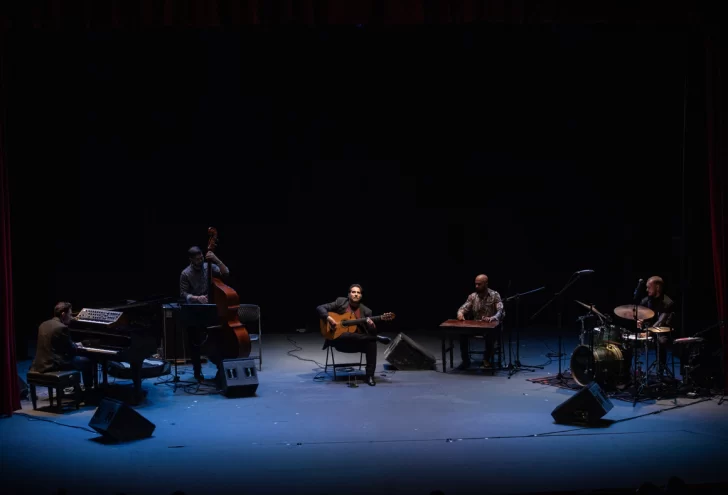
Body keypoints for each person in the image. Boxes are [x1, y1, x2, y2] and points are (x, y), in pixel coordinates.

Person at [316, 284, 391, 386]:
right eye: (353, 292)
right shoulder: (340, 302)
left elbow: (370, 331)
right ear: (349, 294)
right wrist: (329, 318)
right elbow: (320, 308)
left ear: (361, 296)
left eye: (358, 293)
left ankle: (369, 376)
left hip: (357, 343)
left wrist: (372, 326)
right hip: (339, 341)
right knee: (345, 333)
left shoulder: (366, 311)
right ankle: (376, 338)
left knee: (371, 342)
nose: (356, 294)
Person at [179, 245, 230, 382]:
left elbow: (226, 273)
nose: (200, 260)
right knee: (194, 342)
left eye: (201, 257)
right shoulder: (185, 274)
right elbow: (183, 294)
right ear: (191, 259)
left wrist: (216, 259)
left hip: (211, 308)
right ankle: (197, 372)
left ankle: (221, 369)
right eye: (197, 259)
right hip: (195, 310)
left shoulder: (209, 266)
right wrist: (197, 298)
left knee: (216, 340)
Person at [30, 301, 95, 392]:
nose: (71, 317)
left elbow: (57, 344)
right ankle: (89, 390)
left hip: (40, 363)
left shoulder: (43, 324)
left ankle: (77, 387)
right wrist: (80, 346)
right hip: (54, 364)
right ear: (63, 314)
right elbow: (71, 350)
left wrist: (75, 344)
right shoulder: (61, 327)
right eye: (70, 314)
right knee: (87, 361)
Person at [456, 274, 505, 369]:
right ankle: (465, 361)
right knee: (462, 334)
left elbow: (500, 310)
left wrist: (493, 317)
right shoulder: (473, 296)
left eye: (479, 284)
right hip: (476, 326)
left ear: (486, 284)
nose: (476, 286)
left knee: (491, 335)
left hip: (490, 326)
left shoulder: (495, 295)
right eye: (476, 284)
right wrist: (460, 313)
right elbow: (463, 308)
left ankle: (486, 359)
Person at [637, 275, 675, 377]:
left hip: (664, 332)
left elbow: (661, 321)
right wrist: (640, 320)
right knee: (631, 340)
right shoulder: (646, 300)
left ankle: (660, 372)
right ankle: (637, 372)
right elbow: (641, 314)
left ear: (657, 287)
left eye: (649, 287)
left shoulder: (667, 301)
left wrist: (648, 332)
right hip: (648, 330)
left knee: (661, 342)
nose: (646, 289)